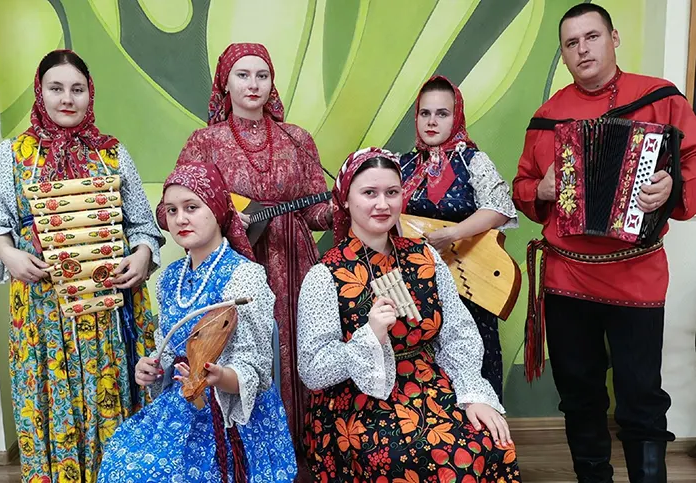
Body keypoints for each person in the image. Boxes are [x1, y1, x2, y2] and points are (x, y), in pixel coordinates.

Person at [512, 4, 696, 482]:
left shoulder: (661, 98)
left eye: (591, 37)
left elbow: (693, 164)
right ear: (564, 54)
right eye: (571, 43)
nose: (582, 49)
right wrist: (540, 190)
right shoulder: (546, 118)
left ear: (614, 38)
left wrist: (672, 186)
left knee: (640, 395)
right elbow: (521, 187)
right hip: (567, 276)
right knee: (579, 394)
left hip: (636, 274)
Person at [0, 50, 164, 482]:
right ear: (40, 92)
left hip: (105, 311)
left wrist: (141, 254)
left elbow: (142, 225)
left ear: (89, 94)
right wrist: (9, 254)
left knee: (108, 393)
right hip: (42, 310)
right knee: (49, 395)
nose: (67, 98)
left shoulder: (112, 154)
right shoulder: (13, 154)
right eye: (56, 88)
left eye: (77, 89)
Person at [297, 147, 520, 482]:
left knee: (491, 442)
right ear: (345, 200)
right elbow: (313, 370)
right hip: (356, 400)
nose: (382, 204)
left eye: (392, 192)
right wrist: (369, 336)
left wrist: (473, 395)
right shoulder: (324, 274)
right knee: (421, 458)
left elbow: (458, 333)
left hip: (426, 381)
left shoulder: (423, 255)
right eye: (369, 193)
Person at [173, 42, 333, 468]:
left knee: (302, 348)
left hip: (295, 260)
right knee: (244, 352)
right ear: (224, 83)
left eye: (262, 75)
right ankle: (249, 458)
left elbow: (315, 212)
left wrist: (341, 209)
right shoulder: (205, 141)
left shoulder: (297, 139)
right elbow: (180, 204)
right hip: (233, 266)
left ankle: (304, 453)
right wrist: (226, 219)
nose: (253, 84)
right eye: (242, 75)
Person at [97, 162, 297, 482]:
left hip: (232, 416)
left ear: (216, 209)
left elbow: (256, 370)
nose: (180, 219)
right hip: (181, 402)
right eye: (172, 210)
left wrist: (219, 376)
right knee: (121, 463)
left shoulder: (244, 276)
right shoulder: (170, 278)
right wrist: (153, 369)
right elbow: (167, 347)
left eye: (192, 207)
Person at [400, 75, 518, 400]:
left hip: (469, 286)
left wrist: (452, 234)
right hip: (416, 288)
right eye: (425, 113)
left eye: (442, 113)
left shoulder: (473, 161)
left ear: (457, 117)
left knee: (475, 367)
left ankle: (484, 430)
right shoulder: (402, 166)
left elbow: (499, 208)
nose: (432, 121)